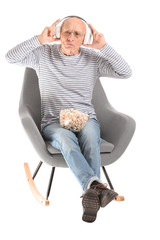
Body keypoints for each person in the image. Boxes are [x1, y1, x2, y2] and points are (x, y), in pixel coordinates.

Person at [6, 16, 132, 223]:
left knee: (91, 137)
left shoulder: (93, 59)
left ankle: (91, 189)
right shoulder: (42, 54)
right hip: (53, 121)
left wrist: (104, 47)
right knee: (66, 140)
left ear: (85, 38)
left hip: (86, 118)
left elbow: (125, 72)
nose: (71, 38)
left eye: (77, 34)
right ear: (58, 33)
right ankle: (97, 187)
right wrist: (39, 39)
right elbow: (10, 57)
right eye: (67, 32)